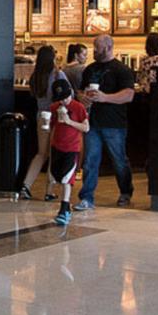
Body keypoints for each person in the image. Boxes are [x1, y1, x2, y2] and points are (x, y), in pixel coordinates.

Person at [76, 34, 136, 209]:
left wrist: (105, 97)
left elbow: (129, 95)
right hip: (92, 122)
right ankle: (86, 197)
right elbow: (80, 91)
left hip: (114, 123)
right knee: (89, 161)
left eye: (97, 47)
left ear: (109, 47)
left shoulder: (122, 70)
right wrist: (82, 98)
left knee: (119, 160)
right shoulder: (89, 69)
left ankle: (125, 192)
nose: (94, 51)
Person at [20, 44, 66, 201]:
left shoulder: (36, 76)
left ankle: (26, 185)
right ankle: (49, 191)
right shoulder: (58, 74)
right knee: (53, 153)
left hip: (41, 115)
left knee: (41, 153)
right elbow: (68, 94)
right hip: (55, 115)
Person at [49, 81, 89, 227]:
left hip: (72, 148)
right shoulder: (54, 108)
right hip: (57, 146)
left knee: (67, 178)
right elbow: (52, 126)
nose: (63, 101)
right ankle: (65, 207)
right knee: (58, 176)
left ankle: (64, 208)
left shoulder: (78, 108)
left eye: (65, 97)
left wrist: (69, 122)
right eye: (60, 98)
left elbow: (86, 127)